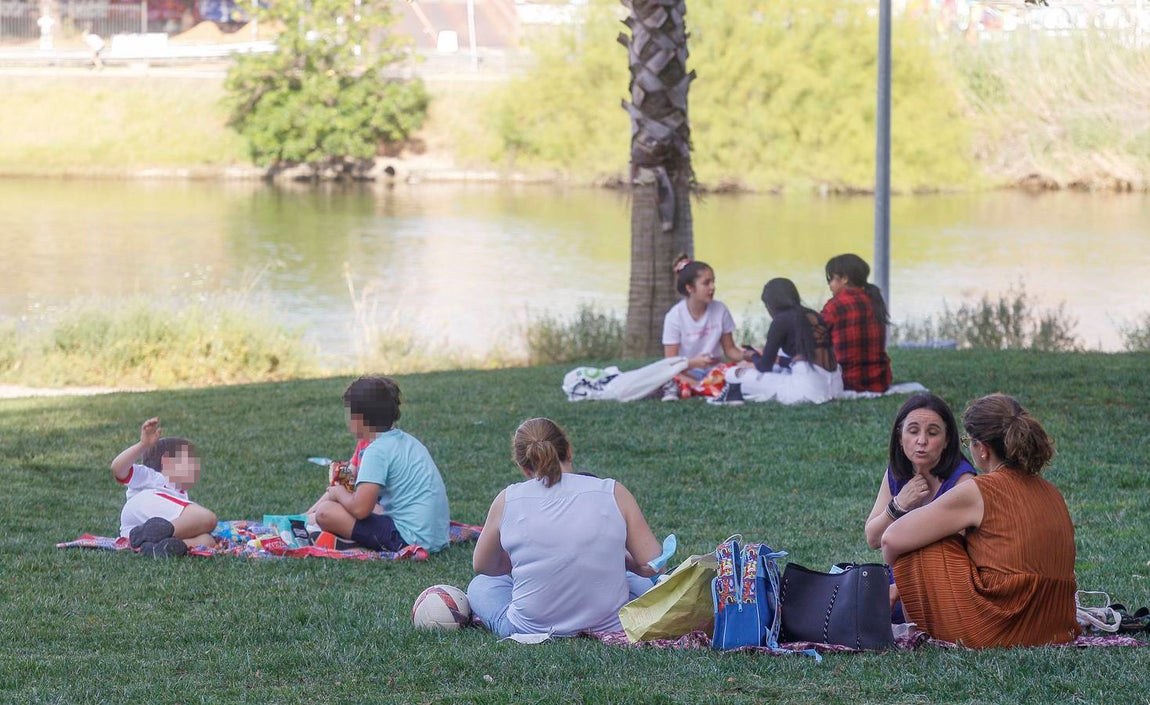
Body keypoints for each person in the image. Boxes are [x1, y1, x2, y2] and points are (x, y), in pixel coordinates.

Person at [881, 394, 1079, 647]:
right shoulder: (1051, 491)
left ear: (982, 448)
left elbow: (890, 540)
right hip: (1054, 624)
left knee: (919, 545)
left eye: (968, 442)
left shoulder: (981, 489)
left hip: (1001, 626)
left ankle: (917, 632)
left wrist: (898, 575)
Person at [468, 418, 663, 637]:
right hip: (611, 623)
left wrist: (524, 563)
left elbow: (483, 566)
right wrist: (626, 561)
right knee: (637, 581)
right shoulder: (613, 491)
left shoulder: (507, 499)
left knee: (481, 586)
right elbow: (655, 564)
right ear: (568, 450)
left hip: (531, 628)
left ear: (523, 467)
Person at [309, 376, 450, 552]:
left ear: (359, 418)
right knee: (338, 509)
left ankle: (350, 541)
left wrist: (338, 493)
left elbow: (361, 509)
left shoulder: (376, 451)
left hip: (409, 539)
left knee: (326, 512)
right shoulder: (406, 441)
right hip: (434, 536)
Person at [864, 393, 976, 549]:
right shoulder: (898, 470)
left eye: (932, 433)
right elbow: (873, 539)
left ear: (947, 440)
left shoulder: (963, 481)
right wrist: (899, 505)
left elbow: (945, 548)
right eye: (913, 431)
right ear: (899, 437)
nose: (922, 441)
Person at [718, 277, 842, 405]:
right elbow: (808, 359)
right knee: (782, 357)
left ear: (771, 305)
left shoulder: (781, 320)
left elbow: (764, 366)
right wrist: (778, 360)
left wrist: (752, 356)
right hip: (835, 387)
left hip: (807, 392)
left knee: (733, 374)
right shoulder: (814, 315)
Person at [111, 417, 218, 557]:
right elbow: (117, 469)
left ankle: (158, 547)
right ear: (167, 462)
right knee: (208, 518)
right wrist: (143, 444)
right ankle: (152, 534)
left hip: (134, 530)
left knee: (207, 540)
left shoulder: (179, 493)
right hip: (145, 504)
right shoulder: (152, 476)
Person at [661, 255, 749, 401]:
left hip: (714, 372)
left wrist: (748, 356)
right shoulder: (674, 317)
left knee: (743, 369)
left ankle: (698, 388)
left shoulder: (720, 310)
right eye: (706, 283)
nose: (712, 287)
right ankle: (692, 387)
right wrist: (694, 363)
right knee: (669, 375)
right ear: (690, 288)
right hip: (686, 372)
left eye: (713, 282)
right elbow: (670, 362)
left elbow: (730, 350)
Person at [821, 253, 892, 393]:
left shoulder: (834, 306)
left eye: (831, 279)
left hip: (846, 380)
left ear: (845, 279)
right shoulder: (875, 299)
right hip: (880, 380)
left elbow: (815, 335)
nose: (830, 285)